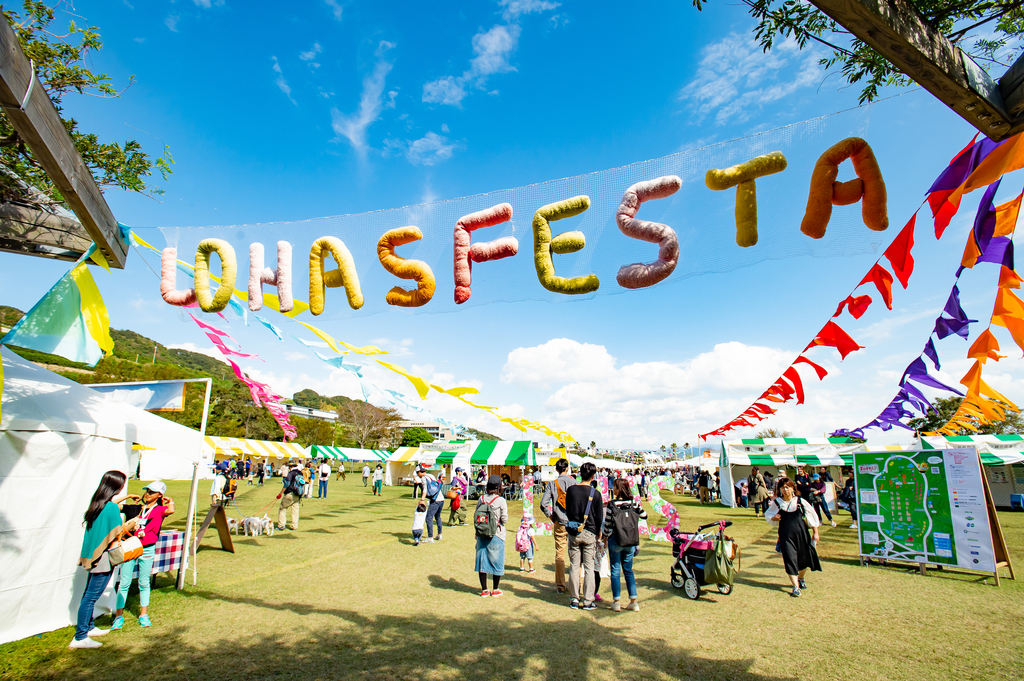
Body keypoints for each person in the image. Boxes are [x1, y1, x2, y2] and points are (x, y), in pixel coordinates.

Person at [70, 470, 129, 649]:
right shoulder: (110, 508)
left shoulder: (97, 504)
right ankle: (80, 637)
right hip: (103, 558)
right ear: (117, 486)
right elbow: (116, 532)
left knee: (88, 594)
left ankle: (88, 627)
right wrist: (130, 525)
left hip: (93, 556)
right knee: (91, 597)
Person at [112, 481, 175, 630]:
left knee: (144, 581)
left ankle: (143, 614)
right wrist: (127, 496)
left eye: (152, 492)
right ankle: (118, 616)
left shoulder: (159, 510)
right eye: (147, 491)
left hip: (147, 549)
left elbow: (171, 511)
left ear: (159, 495)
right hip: (131, 548)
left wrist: (171, 501)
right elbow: (113, 506)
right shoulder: (137, 509)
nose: (147, 494)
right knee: (125, 582)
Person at [766, 478, 821, 597]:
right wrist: (774, 518)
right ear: (780, 489)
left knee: (803, 559)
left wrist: (815, 533)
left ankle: (801, 578)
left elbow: (812, 516)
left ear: (792, 488)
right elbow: (769, 515)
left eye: (787, 487)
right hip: (786, 535)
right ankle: (795, 587)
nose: (785, 490)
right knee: (790, 559)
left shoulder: (800, 501)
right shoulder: (778, 502)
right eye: (783, 488)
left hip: (802, 534)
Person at [565, 462, 604, 610]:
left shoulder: (571, 490)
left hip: (575, 531)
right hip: (590, 532)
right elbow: (599, 517)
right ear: (593, 476)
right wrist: (599, 533)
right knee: (589, 567)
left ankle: (574, 598)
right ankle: (588, 600)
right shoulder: (596, 494)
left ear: (580, 473)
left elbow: (568, 510)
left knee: (574, 566)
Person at [603, 477, 645, 612]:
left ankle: (616, 601)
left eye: (614, 487)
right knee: (628, 570)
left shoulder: (612, 504)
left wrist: (605, 536)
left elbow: (608, 524)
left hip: (616, 538)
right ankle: (633, 600)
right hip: (630, 539)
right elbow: (644, 515)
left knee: (615, 570)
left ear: (619, 489)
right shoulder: (634, 503)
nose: (613, 489)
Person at [540, 458, 575, 594]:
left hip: (559, 521)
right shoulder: (574, 483)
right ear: (567, 468)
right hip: (573, 522)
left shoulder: (552, 484)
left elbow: (543, 504)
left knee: (560, 554)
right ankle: (574, 584)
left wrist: (550, 515)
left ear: (556, 469)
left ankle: (560, 585)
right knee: (575, 554)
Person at [474, 475, 509, 597]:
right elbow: (504, 519)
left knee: (482, 561)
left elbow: (476, 515)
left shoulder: (481, 499)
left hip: (481, 533)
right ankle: (495, 589)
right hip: (496, 534)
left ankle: (484, 589)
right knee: (496, 561)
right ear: (499, 486)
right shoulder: (501, 501)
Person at [416, 466, 444, 541]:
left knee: (429, 517)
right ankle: (439, 534)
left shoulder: (423, 478)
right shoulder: (431, 475)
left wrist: (422, 499)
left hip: (435, 500)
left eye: (417, 473)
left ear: (419, 472)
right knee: (438, 517)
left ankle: (430, 537)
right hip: (441, 498)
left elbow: (425, 490)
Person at [277, 463, 304, 530]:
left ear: (291, 467)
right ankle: (294, 526)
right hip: (298, 494)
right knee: (295, 511)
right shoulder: (300, 473)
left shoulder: (291, 473)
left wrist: (280, 493)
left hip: (290, 493)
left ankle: (281, 525)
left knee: (282, 509)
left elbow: (287, 484)